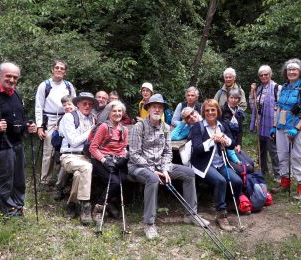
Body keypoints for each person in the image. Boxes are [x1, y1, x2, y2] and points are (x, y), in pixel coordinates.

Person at [128, 94, 210, 240]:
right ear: (148, 108)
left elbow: (167, 151)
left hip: (161, 166)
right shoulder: (138, 127)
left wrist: (165, 169)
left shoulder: (166, 127)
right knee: (153, 178)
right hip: (139, 167)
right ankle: (149, 223)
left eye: (160, 107)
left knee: (189, 173)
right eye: (154, 106)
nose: (157, 109)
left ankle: (191, 215)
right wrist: (153, 170)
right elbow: (134, 154)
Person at [0, 62, 37, 218]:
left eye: (15, 77)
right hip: (0, 146)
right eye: (8, 76)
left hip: (17, 144)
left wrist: (28, 127)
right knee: (4, 181)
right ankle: (8, 213)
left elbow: (18, 121)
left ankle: (18, 207)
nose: (11, 80)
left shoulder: (16, 94)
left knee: (19, 180)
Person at [190, 99, 243, 231]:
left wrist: (224, 139)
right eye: (207, 110)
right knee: (220, 181)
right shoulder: (197, 127)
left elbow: (233, 143)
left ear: (217, 111)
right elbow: (196, 149)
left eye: (213, 110)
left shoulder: (222, 125)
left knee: (237, 181)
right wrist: (212, 140)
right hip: (204, 164)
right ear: (203, 112)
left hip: (221, 162)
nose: (210, 112)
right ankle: (221, 214)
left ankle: (228, 204)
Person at [270, 59, 301, 200]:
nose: (291, 72)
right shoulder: (285, 87)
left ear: (300, 71)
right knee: (282, 155)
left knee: (297, 157)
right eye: (289, 69)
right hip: (281, 127)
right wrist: (274, 126)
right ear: (285, 72)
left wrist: (296, 128)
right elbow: (280, 107)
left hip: (297, 128)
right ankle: (285, 184)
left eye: (294, 69)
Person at [35, 60, 76, 190]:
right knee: (49, 151)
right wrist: (39, 126)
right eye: (56, 68)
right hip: (50, 120)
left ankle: (60, 181)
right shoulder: (45, 85)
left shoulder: (68, 86)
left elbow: (74, 103)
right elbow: (38, 106)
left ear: (65, 71)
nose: (59, 70)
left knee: (63, 149)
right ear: (52, 70)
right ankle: (44, 181)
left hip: (66, 119)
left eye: (62, 68)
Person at [59, 92, 97, 224]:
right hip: (69, 155)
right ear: (78, 104)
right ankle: (85, 207)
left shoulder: (92, 118)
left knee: (79, 175)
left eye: (90, 104)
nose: (87, 106)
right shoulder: (69, 117)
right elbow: (74, 141)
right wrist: (91, 131)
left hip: (85, 156)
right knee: (88, 167)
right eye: (84, 103)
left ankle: (71, 204)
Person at [89, 100, 129, 224]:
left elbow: (124, 147)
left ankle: (109, 203)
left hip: (116, 160)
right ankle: (98, 208)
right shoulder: (103, 127)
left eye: (119, 111)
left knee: (122, 178)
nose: (117, 113)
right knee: (115, 182)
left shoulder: (124, 129)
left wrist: (123, 157)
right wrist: (104, 160)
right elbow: (93, 148)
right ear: (109, 113)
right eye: (114, 111)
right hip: (100, 159)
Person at [249, 65, 281, 181]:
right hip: (260, 125)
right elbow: (253, 106)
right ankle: (264, 170)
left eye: (266, 74)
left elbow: (281, 108)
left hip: (272, 125)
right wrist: (252, 92)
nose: (263, 76)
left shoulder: (277, 88)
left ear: (270, 75)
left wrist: (276, 124)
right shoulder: (259, 89)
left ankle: (278, 175)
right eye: (261, 75)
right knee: (261, 149)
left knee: (273, 150)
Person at [221, 89, 254, 174]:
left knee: (251, 163)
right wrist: (231, 144)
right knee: (247, 168)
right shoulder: (222, 111)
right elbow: (222, 131)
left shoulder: (239, 112)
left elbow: (240, 130)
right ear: (228, 98)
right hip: (226, 145)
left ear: (239, 100)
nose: (233, 100)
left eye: (236, 98)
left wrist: (239, 144)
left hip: (235, 144)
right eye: (231, 97)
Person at [53, 95, 75, 201]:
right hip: (64, 149)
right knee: (64, 166)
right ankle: (59, 187)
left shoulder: (80, 117)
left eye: (69, 104)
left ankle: (68, 188)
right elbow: (62, 135)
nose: (67, 107)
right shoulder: (62, 119)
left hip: (78, 150)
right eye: (64, 105)